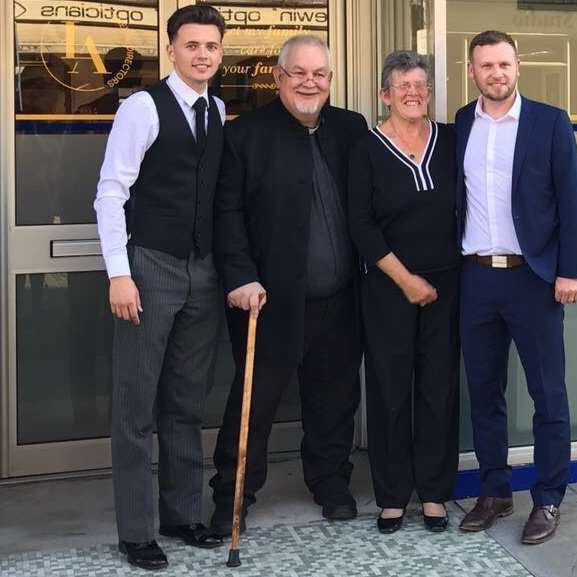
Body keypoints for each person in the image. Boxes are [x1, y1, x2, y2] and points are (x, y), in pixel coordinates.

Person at [209, 35, 368, 535]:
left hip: (341, 301)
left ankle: (331, 484)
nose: (309, 82)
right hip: (268, 302)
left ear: (330, 81)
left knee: (335, 400)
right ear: (277, 78)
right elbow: (226, 214)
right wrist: (240, 276)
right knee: (253, 404)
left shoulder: (350, 128)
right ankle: (231, 496)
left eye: (319, 74)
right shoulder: (246, 136)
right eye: (298, 72)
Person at [94, 4, 227, 570]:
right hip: (149, 266)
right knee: (136, 404)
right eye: (192, 45)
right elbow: (110, 192)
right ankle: (136, 530)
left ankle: (182, 514)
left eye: (211, 46)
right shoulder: (141, 107)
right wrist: (118, 273)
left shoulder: (218, 108)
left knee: (185, 401)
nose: (202, 55)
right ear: (171, 48)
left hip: (204, 270)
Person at [455, 30, 577, 545]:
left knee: (547, 394)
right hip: (476, 278)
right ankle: (494, 491)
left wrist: (569, 270)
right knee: (484, 392)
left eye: (504, 64)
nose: (496, 73)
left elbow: (573, 200)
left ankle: (549, 497)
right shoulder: (462, 124)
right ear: (472, 72)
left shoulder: (549, 122)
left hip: (533, 278)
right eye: (486, 65)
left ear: (518, 67)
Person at [348, 51, 460, 534]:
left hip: (449, 284)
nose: (413, 93)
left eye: (421, 85)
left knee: (438, 388)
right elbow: (361, 225)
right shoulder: (367, 149)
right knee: (391, 389)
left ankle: (434, 493)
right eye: (403, 85)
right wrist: (406, 280)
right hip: (389, 287)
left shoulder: (452, 141)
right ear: (384, 95)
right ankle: (392, 495)